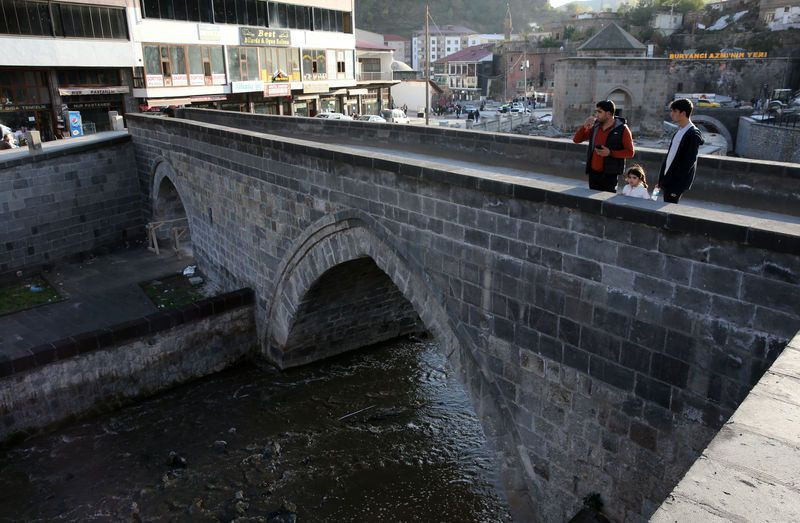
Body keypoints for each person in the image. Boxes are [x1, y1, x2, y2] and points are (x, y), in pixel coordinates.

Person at [572, 100, 635, 193]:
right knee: (592, 204)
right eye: (596, 111)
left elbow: (630, 152)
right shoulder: (595, 126)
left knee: (606, 204)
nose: (596, 114)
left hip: (610, 175)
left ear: (608, 114)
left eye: (599, 112)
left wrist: (610, 153)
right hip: (593, 174)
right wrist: (584, 126)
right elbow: (576, 140)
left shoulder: (623, 129)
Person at [656, 98, 704, 204]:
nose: (671, 114)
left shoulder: (693, 134)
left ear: (683, 113)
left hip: (675, 182)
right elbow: (670, 157)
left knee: (669, 209)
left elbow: (689, 162)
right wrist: (661, 179)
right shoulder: (679, 131)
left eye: (674, 111)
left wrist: (675, 182)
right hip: (667, 179)